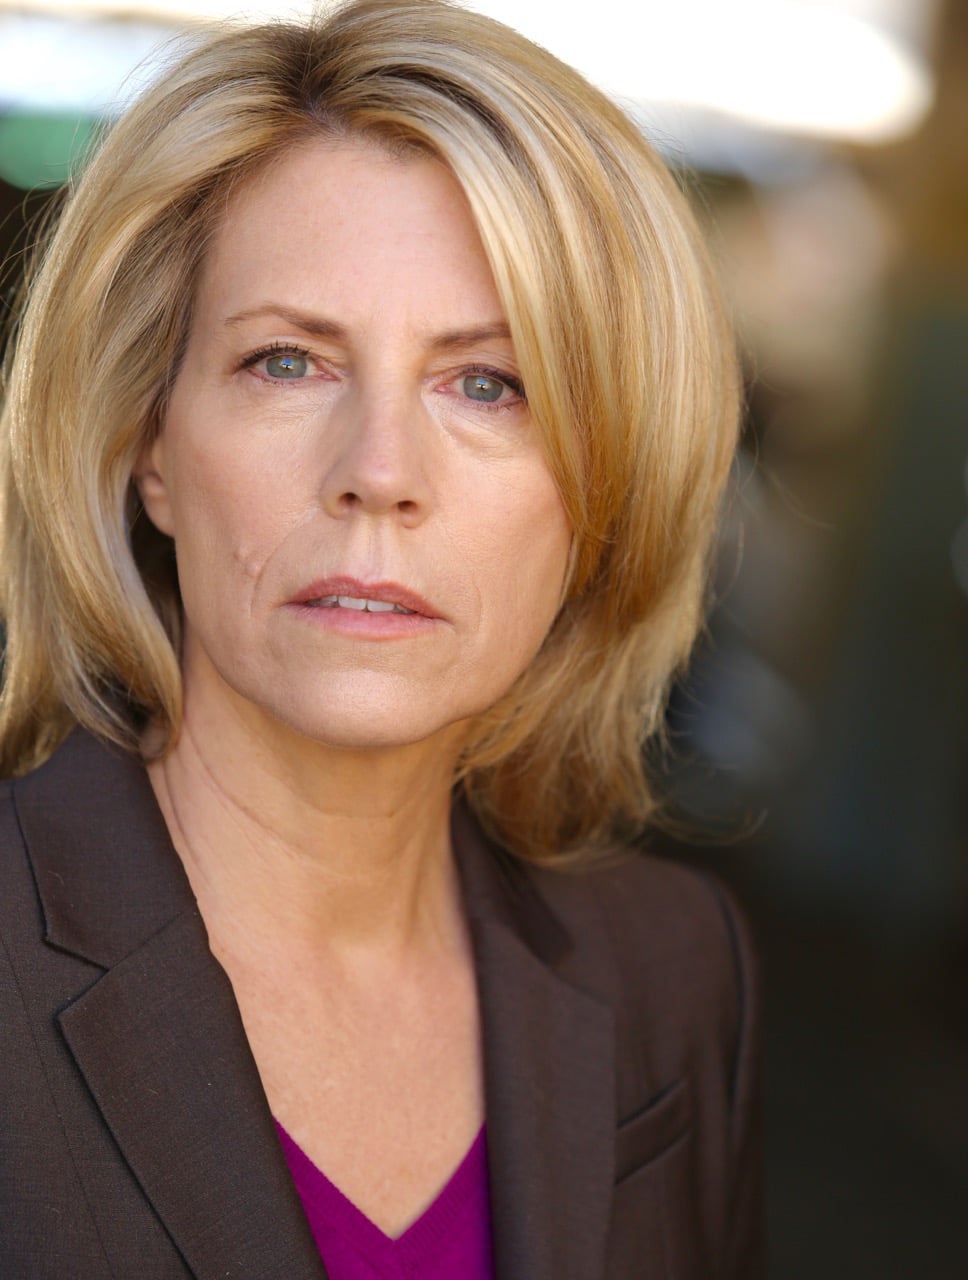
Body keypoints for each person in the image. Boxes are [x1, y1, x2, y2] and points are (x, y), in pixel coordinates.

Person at [0, 1, 761, 1276]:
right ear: (149, 444)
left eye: (487, 383)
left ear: (605, 483)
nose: (379, 471)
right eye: (286, 361)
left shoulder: (676, 969)